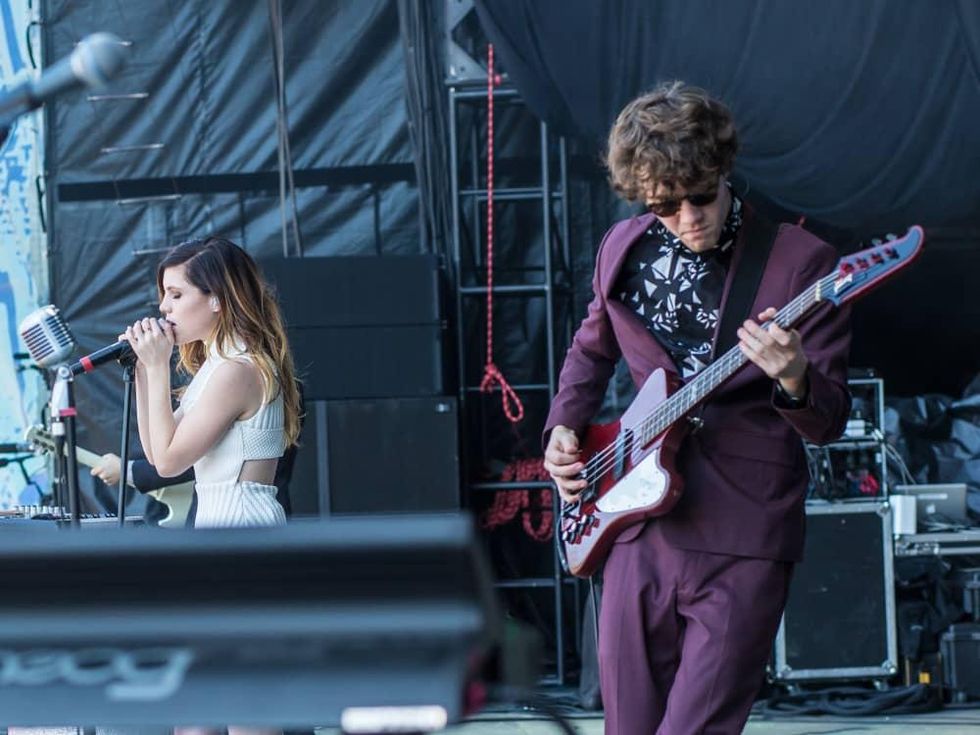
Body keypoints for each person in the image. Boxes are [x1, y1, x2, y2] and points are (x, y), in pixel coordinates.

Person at [542, 81, 851, 734]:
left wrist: (794, 376)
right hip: (633, 519)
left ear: (724, 169)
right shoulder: (620, 249)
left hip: (743, 525)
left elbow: (829, 419)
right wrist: (563, 431)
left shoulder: (802, 262)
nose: (687, 218)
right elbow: (590, 350)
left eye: (701, 196)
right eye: (665, 206)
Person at [121, 236, 302, 533]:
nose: (164, 307)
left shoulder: (237, 370)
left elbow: (169, 464)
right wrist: (141, 368)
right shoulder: (216, 366)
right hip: (222, 524)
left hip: (243, 522)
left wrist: (157, 367)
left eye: (176, 295)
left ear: (217, 298)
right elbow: (156, 453)